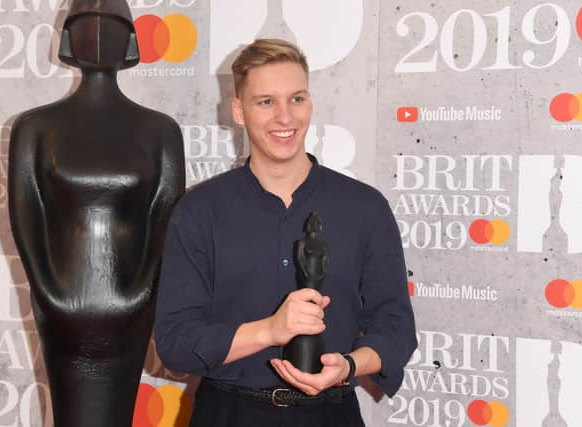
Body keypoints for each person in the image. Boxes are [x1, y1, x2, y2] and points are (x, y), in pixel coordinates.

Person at [154, 38, 416, 427]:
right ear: (238, 111)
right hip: (227, 415)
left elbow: (396, 327)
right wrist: (269, 330)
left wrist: (346, 366)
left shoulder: (364, 207)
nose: (285, 117)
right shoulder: (198, 211)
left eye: (296, 99)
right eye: (266, 102)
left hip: (333, 414)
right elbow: (175, 343)